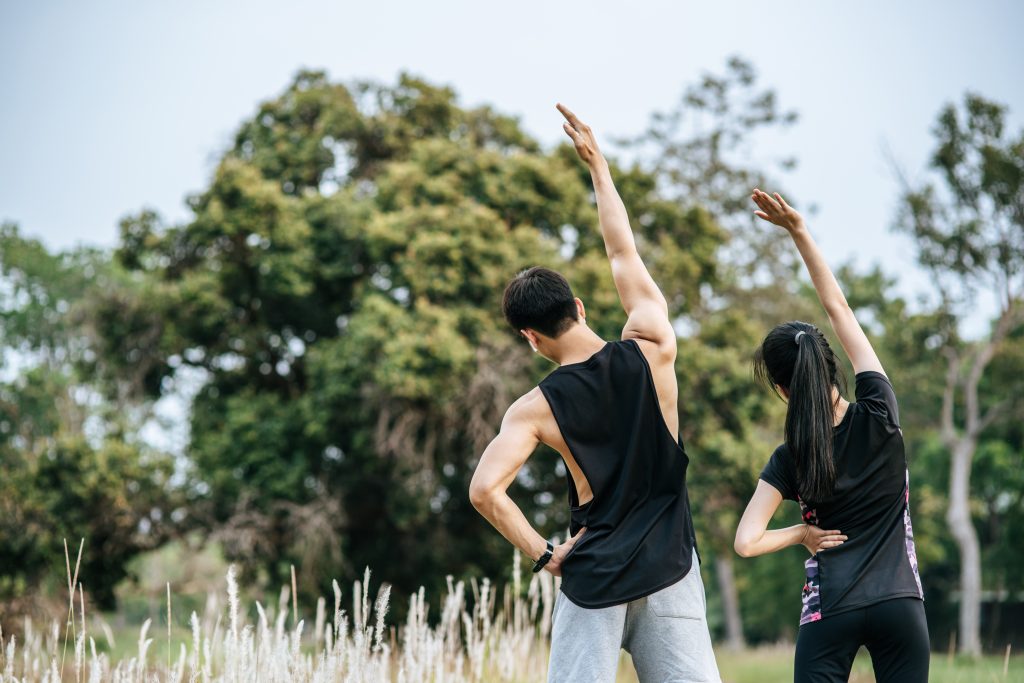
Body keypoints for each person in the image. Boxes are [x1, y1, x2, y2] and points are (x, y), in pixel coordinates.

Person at [469, 104, 721, 683]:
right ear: (578, 307)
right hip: (671, 569)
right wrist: (598, 168)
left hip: (594, 580)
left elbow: (486, 490)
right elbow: (621, 254)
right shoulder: (652, 343)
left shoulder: (533, 409)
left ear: (530, 338)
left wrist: (544, 554)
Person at [734, 189, 929, 682]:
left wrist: (802, 532)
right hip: (899, 602)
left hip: (831, 610)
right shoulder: (881, 413)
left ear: (783, 388)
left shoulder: (790, 458)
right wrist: (799, 231)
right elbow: (837, 308)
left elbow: (746, 542)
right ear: (832, 366)